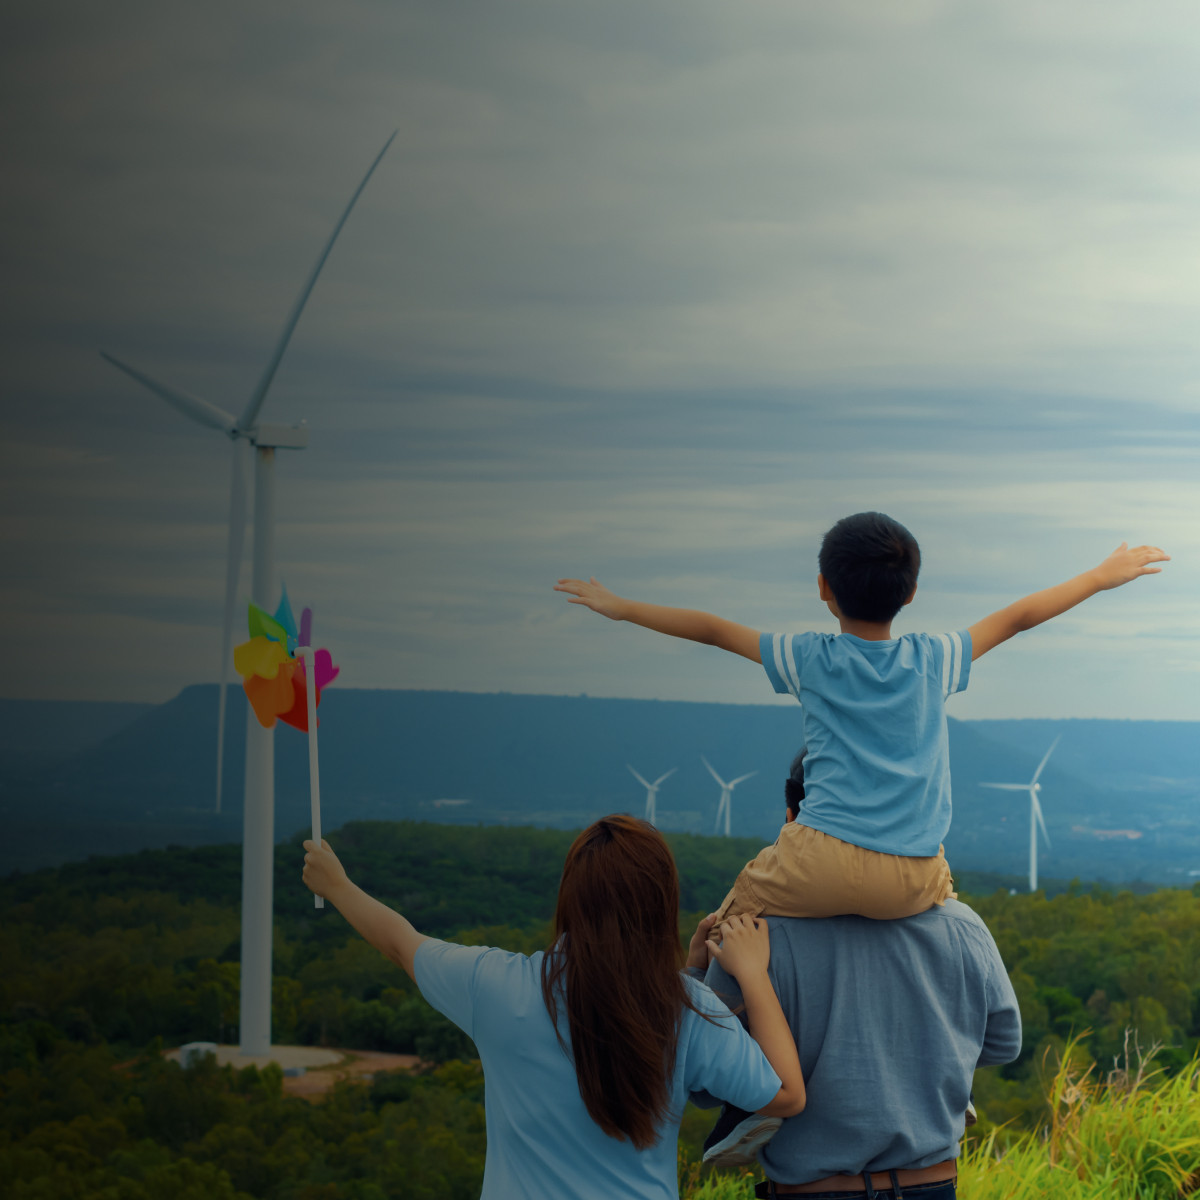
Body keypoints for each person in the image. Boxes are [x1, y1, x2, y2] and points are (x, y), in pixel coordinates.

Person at [556, 514, 1168, 923]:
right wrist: (1098, 577)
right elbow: (1018, 617)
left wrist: (623, 607)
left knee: (724, 928)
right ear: (911, 592)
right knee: (956, 936)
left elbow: (713, 629)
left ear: (824, 587)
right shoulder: (935, 657)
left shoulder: (809, 658)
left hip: (817, 861)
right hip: (915, 876)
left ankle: (696, 1016)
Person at [301, 814, 806, 1200]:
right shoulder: (684, 1009)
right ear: (660, 905)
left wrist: (336, 885)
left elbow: (400, 943)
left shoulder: (494, 986)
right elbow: (785, 1094)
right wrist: (751, 975)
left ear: (570, 896)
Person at [691, 895, 1021, 1196]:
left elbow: (704, 1083)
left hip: (814, 1190)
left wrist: (695, 976)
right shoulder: (962, 924)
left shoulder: (750, 937)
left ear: (794, 827)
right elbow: (1004, 1044)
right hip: (931, 1185)